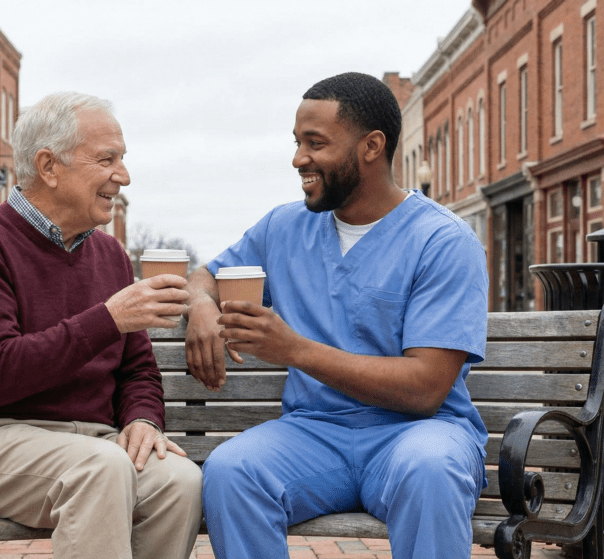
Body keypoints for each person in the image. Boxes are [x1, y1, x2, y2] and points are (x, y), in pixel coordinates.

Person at [185, 72, 490, 559]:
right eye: (297, 142)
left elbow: (426, 387)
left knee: (431, 469)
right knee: (231, 470)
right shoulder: (284, 227)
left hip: (417, 435)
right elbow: (205, 276)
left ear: (371, 146)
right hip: (313, 433)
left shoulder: (444, 242)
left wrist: (294, 350)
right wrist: (201, 305)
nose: (298, 158)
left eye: (315, 143)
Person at [0, 92, 203, 559]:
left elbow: (138, 371)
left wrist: (142, 419)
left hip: (91, 443)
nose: (124, 176)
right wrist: (108, 318)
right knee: (101, 468)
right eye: (107, 159)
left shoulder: (109, 254)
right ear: (49, 166)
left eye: (123, 159)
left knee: (179, 479)